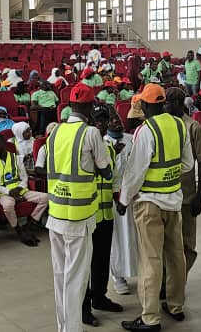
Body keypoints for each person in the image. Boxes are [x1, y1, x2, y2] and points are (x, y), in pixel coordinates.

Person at [118, 84, 194, 331]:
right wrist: (168, 176)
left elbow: (135, 171)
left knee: (151, 259)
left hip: (150, 203)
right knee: (176, 256)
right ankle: (176, 305)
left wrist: (124, 199)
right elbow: (187, 164)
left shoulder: (146, 130)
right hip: (174, 200)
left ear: (146, 105)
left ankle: (150, 317)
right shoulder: (179, 125)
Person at [42, 84, 112, 332]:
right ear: (89, 107)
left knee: (60, 277)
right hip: (79, 219)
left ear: (71, 105)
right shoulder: (91, 133)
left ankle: (63, 327)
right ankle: (72, 329)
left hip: (56, 215)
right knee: (76, 280)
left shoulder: (54, 132)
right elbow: (106, 171)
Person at [81, 105, 126, 326]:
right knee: (85, 263)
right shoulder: (83, 147)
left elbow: (114, 177)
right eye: (98, 121)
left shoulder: (108, 147)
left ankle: (99, 297)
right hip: (87, 214)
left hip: (106, 212)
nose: (102, 124)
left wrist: (119, 198)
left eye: (104, 120)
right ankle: (84, 307)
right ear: (91, 123)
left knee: (102, 258)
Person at [165, 88, 201, 285]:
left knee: (187, 243)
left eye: (168, 102)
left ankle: (177, 280)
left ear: (177, 103)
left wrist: (199, 195)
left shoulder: (193, 126)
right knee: (167, 242)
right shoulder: (163, 125)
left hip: (187, 194)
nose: (165, 106)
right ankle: (168, 281)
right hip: (166, 194)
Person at [0, 130, 47, 247]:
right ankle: (18, 230)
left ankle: (29, 225)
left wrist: (19, 188)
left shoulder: (16, 158)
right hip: (2, 194)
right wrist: (9, 191)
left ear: (4, 144)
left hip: (20, 190)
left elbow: (24, 177)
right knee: (8, 205)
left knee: (46, 198)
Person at [108, 111, 138, 295]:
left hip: (133, 193)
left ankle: (139, 272)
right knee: (117, 238)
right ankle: (118, 276)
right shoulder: (103, 142)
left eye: (118, 120)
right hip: (113, 197)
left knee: (135, 236)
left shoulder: (131, 139)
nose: (116, 123)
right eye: (112, 121)